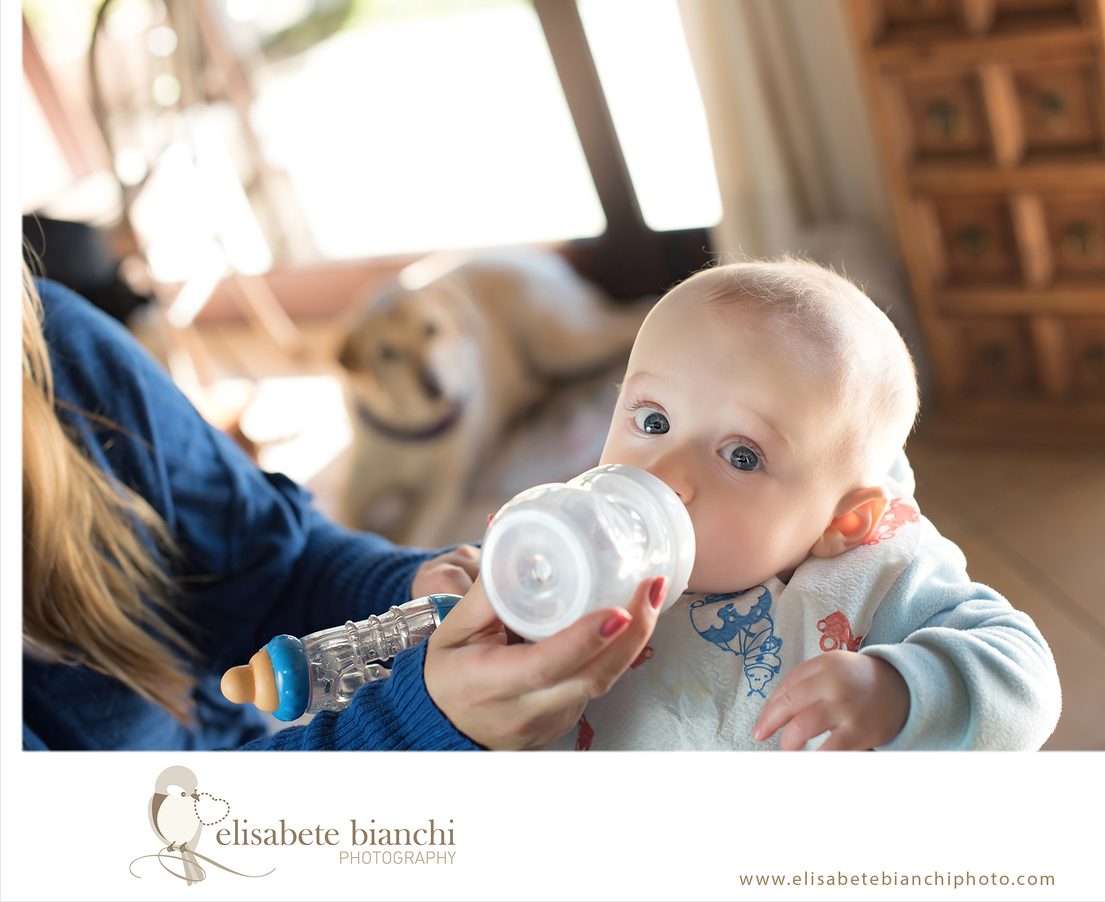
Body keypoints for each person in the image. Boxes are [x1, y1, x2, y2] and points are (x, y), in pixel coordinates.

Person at [21, 269, 665, 751]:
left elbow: (277, 560)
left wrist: (410, 584)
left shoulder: (55, 350)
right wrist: (417, 730)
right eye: (655, 423)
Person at [537, 257, 1061, 751]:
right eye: (654, 421)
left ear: (844, 520)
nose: (664, 476)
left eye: (741, 456)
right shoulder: (582, 537)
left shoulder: (877, 575)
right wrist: (462, 582)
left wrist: (899, 690)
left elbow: (1027, 685)